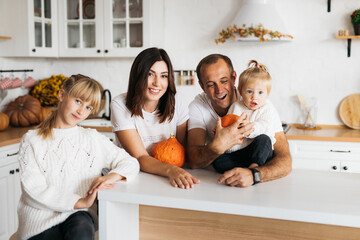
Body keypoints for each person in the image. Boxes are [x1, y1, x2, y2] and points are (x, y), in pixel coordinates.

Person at [17, 74, 139, 240]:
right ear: (61, 95)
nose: (82, 111)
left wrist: (111, 177)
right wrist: (80, 202)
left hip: (79, 216)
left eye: (89, 107)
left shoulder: (92, 138)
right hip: (39, 221)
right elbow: (34, 189)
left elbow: (130, 163)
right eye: (78, 101)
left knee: (81, 229)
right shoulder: (32, 140)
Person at [187, 54, 292, 188]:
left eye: (224, 81)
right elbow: (194, 160)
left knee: (264, 139)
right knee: (218, 161)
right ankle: (239, 171)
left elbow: (285, 161)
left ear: (234, 77)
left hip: (255, 159)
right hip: (233, 159)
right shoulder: (199, 107)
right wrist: (217, 143)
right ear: (202, 87)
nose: (219, 90)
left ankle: (251, 167)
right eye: (211, 84)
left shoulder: (262, 105)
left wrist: (253, 174)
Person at [111, 47, 200, 189]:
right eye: (150, 74)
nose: (157, 83)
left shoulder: (178, 101)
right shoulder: (120, 104)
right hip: (133, 180)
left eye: (164, 76)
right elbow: (140, 157)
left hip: (168, 179)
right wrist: (171, 170)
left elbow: (180, 148)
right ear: (138, 76)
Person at [212, 59, 279, 174]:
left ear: (267, 94)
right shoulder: (236, 106)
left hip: (258, 149)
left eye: (260, 93)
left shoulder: (267, 108)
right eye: (249, 92)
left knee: (264, 139)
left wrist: (249, 128)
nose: (254, 97)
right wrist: (220, 130)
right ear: (240, 91)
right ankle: (242, 168)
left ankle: (255, 166)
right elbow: (228, 122)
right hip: (240, 153)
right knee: (217, 161)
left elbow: (265, 126)